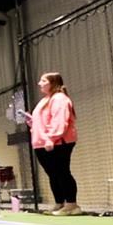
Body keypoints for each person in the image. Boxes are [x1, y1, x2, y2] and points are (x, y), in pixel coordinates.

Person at [26, 72, 80, 215]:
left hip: (57, 143)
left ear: (52, 83)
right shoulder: (45, 100)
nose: (39, 83)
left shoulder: (59, 99)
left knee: (62, 172)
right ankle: (59, 203)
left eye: (43, 80)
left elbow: (60, 120)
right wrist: (32, 122)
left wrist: (52, 138)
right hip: (41, 143)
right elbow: (44, 120)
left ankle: (72, 205)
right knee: (53, 174)